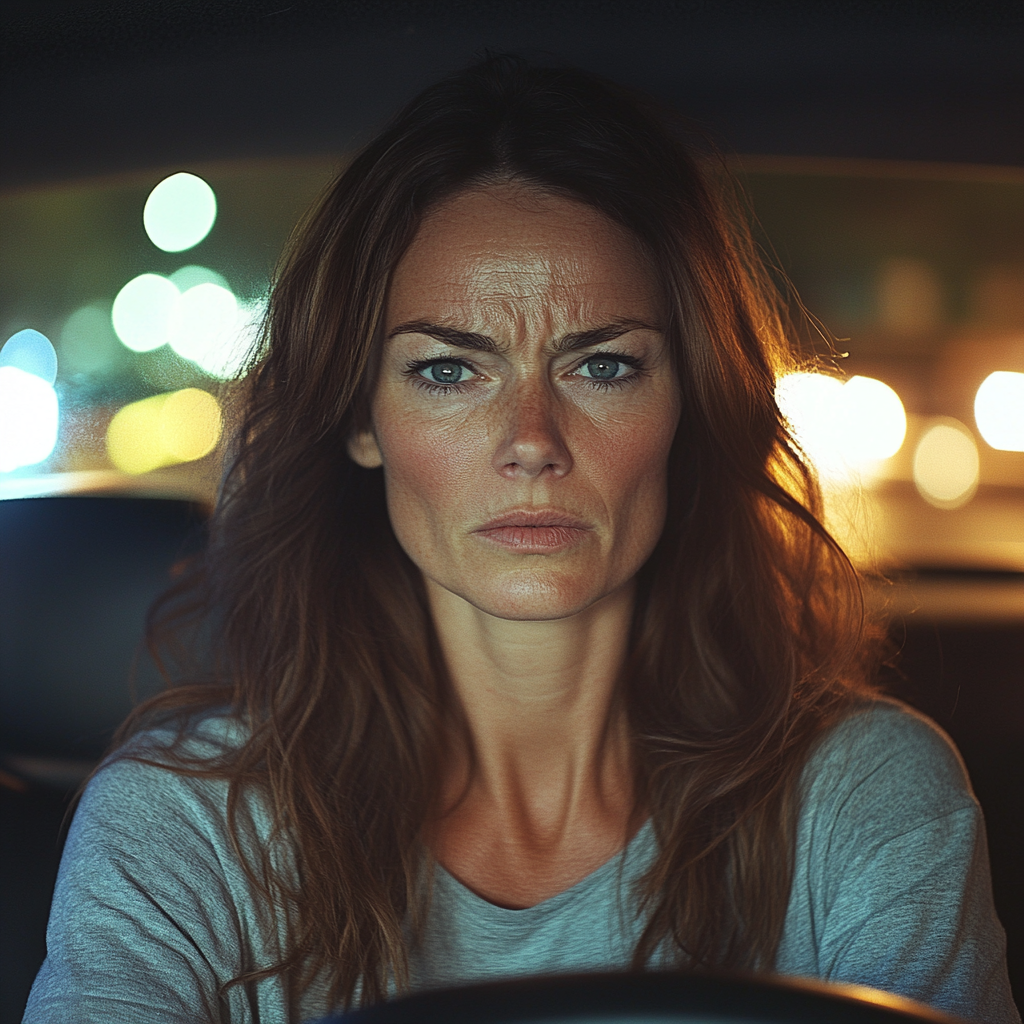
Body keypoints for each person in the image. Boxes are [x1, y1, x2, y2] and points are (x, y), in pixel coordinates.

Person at [25, 55, 1018, 1024]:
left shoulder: (863, 798)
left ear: (692, 405)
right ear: (361, 420)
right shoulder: (179, 829)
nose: (532, 443)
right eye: (450, 372)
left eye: (605, 367)